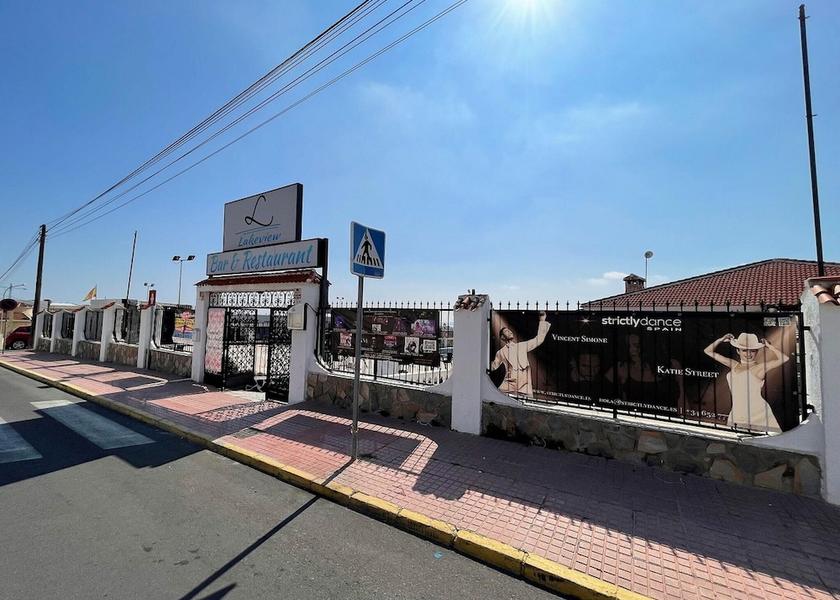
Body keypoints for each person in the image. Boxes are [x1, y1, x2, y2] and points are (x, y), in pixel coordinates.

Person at [704, 332, 788, 432]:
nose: (748, 354)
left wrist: (770, 346)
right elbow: (708, 351)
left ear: (757, 352)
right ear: (738, 351)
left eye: (752, 351)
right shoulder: (734, 365)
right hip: (737, 412)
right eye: (744, 350)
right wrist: (721, 339)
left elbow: (784, 358)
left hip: (758, 413)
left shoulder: (760, 368)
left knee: (765, 440)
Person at [604, 334, 683, 412]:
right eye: (628, 346)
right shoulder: (622, 367)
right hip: (634, 417)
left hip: (667, 417)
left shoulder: (672, 364)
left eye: (636, 345)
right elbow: (603, 392)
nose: (631, 350)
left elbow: (682, 396)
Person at [491, 312, 551, 397]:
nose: (510, 331)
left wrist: (542, 320)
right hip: (509, 385)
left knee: (527, 404)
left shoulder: (522, 346)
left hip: (524, 385)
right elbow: (493, 367)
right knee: (499, 399)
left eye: (509, 330)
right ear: (502, 337)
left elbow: (539, 339)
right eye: (506, 331)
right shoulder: (501, 352)